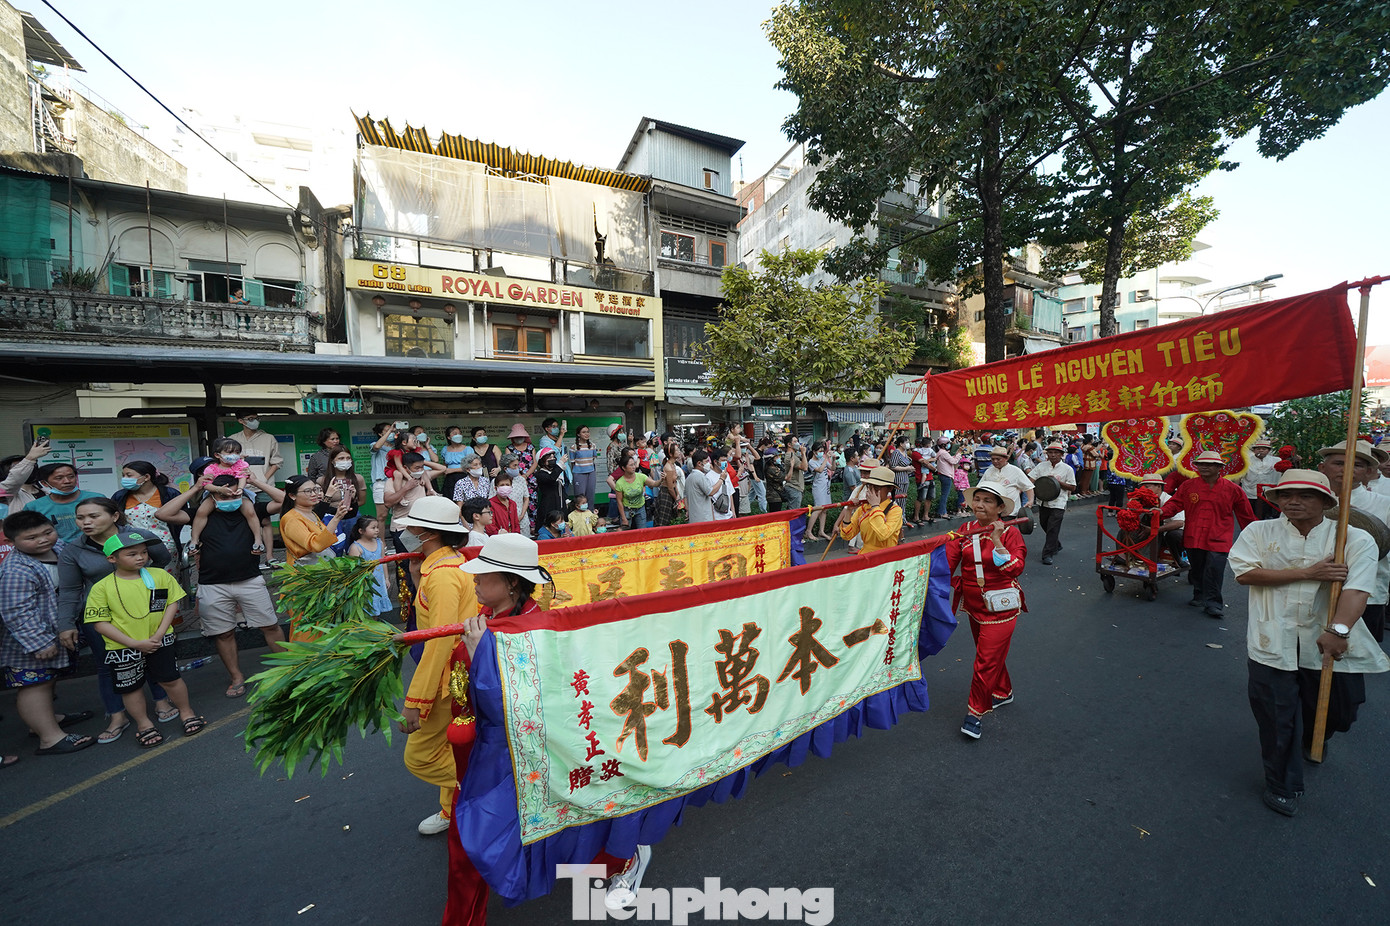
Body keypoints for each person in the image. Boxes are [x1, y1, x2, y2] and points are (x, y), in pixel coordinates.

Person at [436, 534, 650, 921]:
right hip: (488, 751)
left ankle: (622, 860)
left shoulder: (530, 631)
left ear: (512, 583)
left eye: (485, 575)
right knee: (478, 841)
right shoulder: (487, 622)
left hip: (520, 753)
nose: (475, 581)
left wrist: (478, 655)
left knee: (519, 831)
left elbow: (513, 707)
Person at [1228, 469, 1389, 816]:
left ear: (1326, 502)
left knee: (1340, 711)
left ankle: (1317, 734)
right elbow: (1244, 573)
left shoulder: (1354, 540)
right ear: (1276, 500)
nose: (1294, 502)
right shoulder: (1259, 531)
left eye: (1305, 495)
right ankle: (1281, 783)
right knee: (1276, 716)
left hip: (1326, 641)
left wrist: (1340, 628)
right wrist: (1307, 573)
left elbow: (1358, 589)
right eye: (1286, 496)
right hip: (1272, 640)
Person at [58, 497, 177, 743]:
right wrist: (66, 624)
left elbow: (162, 559)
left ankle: (161, 701)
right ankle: (117, 715)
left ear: (114, 516)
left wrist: (142, 579)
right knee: (108, 666)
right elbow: (70, 590)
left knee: (154, 656)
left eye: (93, 516)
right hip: (103, 618)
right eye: (80, 518)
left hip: (145, 610)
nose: (86, 522)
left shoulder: (138, 536)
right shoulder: (73, 550)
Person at [156, 474, 286, 697]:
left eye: (234, 492)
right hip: (212, 584)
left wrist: (253, 482)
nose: (228, 497)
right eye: (220, 493)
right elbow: (162, 513)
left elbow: (285, 501)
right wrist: (196, 488)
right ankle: (236, 677)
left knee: (270, 626)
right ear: (211, 493)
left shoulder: (252, 508)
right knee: (223, 633)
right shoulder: (200, 513)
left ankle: (289, 669)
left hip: (250, 580)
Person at [393, 497, 477, 837]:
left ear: (425, 533)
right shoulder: (448, 564)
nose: (406, 533)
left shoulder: (442, 576)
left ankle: (492, 791)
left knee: (420, 756)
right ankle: (452, 808)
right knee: (449, 745)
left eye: (411, 528)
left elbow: (439, 641)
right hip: (459, 671)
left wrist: (416, 701)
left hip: (448, 679)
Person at [84, 531, 203, 747]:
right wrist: (134, 643)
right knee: (131, 687)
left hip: (160, 641)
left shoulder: (159, 576)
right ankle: (144, 724)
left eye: (144, 552)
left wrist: (158, 635)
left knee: (170, 678)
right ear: (112, 558)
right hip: (123, 647)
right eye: (132, 554)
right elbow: (99, 623)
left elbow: (171, 604)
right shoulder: (101, 587)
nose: (141, 557)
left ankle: (187, 712)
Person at [0, 510, 94, 755]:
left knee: (48, 679)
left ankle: (44, 721)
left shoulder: (60, 547)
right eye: (31, 538)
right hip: (30, 639)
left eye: (47, 532)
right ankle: (49, 738)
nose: (43, 540)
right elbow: (16, 611)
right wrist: (38, 642)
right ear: (11, 542)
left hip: (56, 629)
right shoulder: (16, 570)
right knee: (34, 684)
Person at [943, 480, 1026, 741]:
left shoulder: (1011, 533)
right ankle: (1003, 691)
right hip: (974, 605)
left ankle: (975, 713)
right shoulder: (965, 530)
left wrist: (997, 540)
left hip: (1001, 608)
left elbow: (1014, 568)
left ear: (1000, 507)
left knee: (985, 661)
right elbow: (945, 564)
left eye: (987, 501)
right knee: (987, 654)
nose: (979, 504)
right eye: (977, 499)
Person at [1160, 450, 1256, 619]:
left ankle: (1213, 604)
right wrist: (1159, 512)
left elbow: (1245, 515)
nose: (1204, 467)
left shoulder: (1233, 489)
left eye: (1209, 464)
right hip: (1193, 536)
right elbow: (1174, 504)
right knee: (1197, 568)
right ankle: (1199, 594)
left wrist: (1255, 535)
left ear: (1219, 468)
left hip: (1219, 537)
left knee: (1214, 569)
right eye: (1201, 464)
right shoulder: (1188, 486)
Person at [1317, 440, 1390, 643]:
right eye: (1339, 463)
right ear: (1322, 468)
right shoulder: (1304, 501)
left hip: (1367, 595)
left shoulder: (1385, 505)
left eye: (1356, 465)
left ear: (1369, 472)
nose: (1347, 468)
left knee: (1353, 665)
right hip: (1311, 593)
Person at [280, 476, 351, 641]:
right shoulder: (291, 518)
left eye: (316, 489)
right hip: (304, 583)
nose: (315, 494)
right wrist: (337, 518)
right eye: (308, 491)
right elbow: (316, 545)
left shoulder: (311, 513)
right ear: (292, 496)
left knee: (323, 629)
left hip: (318, 580)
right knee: (308, 633)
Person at [189, 438, 262, 556]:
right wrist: (219, 490)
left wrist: (240, 489)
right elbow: (206, 485)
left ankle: (258, 539)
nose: (234, 455)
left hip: (238, 494)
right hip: (215, 495)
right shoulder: (211, 468)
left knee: (251, 512)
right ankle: (195, 539)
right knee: (201, 513)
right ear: (217, 455)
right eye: (230, 452)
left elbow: (242, 477)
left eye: (237, 452)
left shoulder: (240, 464)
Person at [231, 410, 283, 564]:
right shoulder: (233, 439)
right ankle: (248, 555)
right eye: (250, 419)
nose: (255, 421)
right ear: (241, 421)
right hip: (240, 488)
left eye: (257, 418)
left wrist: (262, 479)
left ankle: (269, 556)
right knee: (242, 520)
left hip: (263, 487)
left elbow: (277, 462)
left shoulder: (268, 438)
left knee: (265, 521)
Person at [110, 461, 180, 556]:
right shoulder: (120, 496)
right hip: (131, 548)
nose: (124, 479)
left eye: (129, 475)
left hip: (166, 547)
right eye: (123, 475)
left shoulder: (170, 494)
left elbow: (180, 519)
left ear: (146, 477)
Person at [27, 461, 104, 543]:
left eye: (71, 477)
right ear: (44, 483)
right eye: (59, 478)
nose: (67, 481)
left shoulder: (97, 499)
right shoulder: (34, 507)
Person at [1028, 442, 1076, 565]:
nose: (1053, 455)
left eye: (1056, 453)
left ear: (1061, 455)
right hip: (1043, 501)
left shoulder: (1067, 469)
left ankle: (1047, 554)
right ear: (1047, 454)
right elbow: (1030, 480)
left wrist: (1057, 482)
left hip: (1059, 502)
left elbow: (1072, 487)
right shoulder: (1041, 466)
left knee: (1053, 527)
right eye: (1050, 452)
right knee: (1045, 524)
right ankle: (1056, 543)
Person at [838, 465, 903, 555]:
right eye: (870, 486)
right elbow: (847, 535)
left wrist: (875, 506)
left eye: (877, 487)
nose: (872, 491)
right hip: (865, 557)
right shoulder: (863, 508)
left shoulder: (895, 510)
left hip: (886, 558)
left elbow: (883, 534)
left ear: (890, 489)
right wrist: (849, 511)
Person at [316, 447, 365, 553]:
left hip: (351, 516)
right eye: (341, 458)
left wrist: (352, 499)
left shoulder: (358, 478)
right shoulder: (322, 480)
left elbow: (362, 501)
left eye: (348, 458)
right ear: (333, 461)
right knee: (332, 548)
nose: (345, 461)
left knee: (352, 547)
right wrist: (329, 495)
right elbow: (318, 506)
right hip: (330, 518)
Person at [347, 516, 394, 621]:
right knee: (366, 609)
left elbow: (383, 561)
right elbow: (354, 570)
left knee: (376, 611)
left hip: (378, 582)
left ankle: (375, 628)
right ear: (361, 531)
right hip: (365, 585)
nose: (377, 530)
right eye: (373, 528)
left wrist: (386, 578)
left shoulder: (379, 543)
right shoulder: (356, 547)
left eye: (377, 527)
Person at [611, 453, 663, 530]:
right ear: (624, 468)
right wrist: (623, 518)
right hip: (627, 510)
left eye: (634, 464)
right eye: (631, 465)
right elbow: (619, 502)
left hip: (640, 508)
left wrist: (661, 480)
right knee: (625, 533)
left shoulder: (640, 476)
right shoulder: (620, 483)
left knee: (642, 531)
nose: (634, 467)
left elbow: (655, 483)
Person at [984, 445, 1036, 512]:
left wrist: (1030, 501)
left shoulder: (1015, 471)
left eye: (998, 459)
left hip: (1011, 511)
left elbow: (1028, 487)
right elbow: (981, 487)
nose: (995, 461)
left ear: (1006, 458)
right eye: (993, 459)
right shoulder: (989, 471)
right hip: (992, 511)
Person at [1241, 437, 1280, 520]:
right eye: (1258, 449)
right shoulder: (1246, 461)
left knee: (1267, 515)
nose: (1261, 450)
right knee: (1250, 515)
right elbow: (1240, 476)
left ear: (1268, 451)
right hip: (1250, 492)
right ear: (1254, 450)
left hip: (1268, 493)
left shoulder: (1276, 460)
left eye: (1264, 449)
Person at [806, 441, 835, 539]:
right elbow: (820, 470)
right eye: (820, 451)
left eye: (823, 451)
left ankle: (821, 531)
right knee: (818, 508)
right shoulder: (811, 462)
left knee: (825, 509)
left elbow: (832, 468)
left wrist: (833, 459)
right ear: (814, 452)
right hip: (818, 487)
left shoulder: (823, 458)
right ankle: (808, 531)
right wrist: (826, 459)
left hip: (826, 486)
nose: (821, 453)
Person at [439, 426, 475, 501]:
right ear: (449, 437)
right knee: (449, 500)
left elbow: (471, 467)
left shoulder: (468, 449)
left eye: (459, 433)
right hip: (449, 479)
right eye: (455, 433)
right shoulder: (445, 449)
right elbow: (444, 464)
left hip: (464, 477)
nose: (458, 435)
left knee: (464, 501)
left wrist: (452, 470)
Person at [533, 447, 565, 522]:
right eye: (549, 457)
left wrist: (565, 499)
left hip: (559, 504)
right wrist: (560, 464)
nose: (552, 459)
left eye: (553, 457)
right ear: (542, 461)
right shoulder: (540, 474)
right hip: (548, 505)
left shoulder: (556, 473)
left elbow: (560, 487)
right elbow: (551, 479)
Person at [571, 426, 598, 505]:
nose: (586, 434)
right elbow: (572, 462)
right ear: (578, 434)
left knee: (591, 495)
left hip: (591, 472)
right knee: (580, 496)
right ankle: (578, 515)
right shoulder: (574, 447)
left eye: (587, 432)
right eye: (584, 432)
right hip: (579, 473)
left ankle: (590, 513)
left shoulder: (593, 446)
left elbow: (593, 459)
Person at [934, 440, 961, 519]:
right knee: (945, 495)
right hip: (946, 475)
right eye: (948, 443)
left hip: (942, 475)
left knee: (944, 494)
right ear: (943, 445)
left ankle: (942, 511)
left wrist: (956, 454)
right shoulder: (944, 453)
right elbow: (954, 461)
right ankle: (942, 512)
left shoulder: (940, 452)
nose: (949, 445)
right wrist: (959, 454)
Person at [781, 435, 809, 510]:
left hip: (797, 487)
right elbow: (805, 467)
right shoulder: (790, 456)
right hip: (794, 487)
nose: (798, 444)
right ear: (789, 444)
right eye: (795, 442)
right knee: (794, 513)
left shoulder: (795, 454)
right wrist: (803, 453)